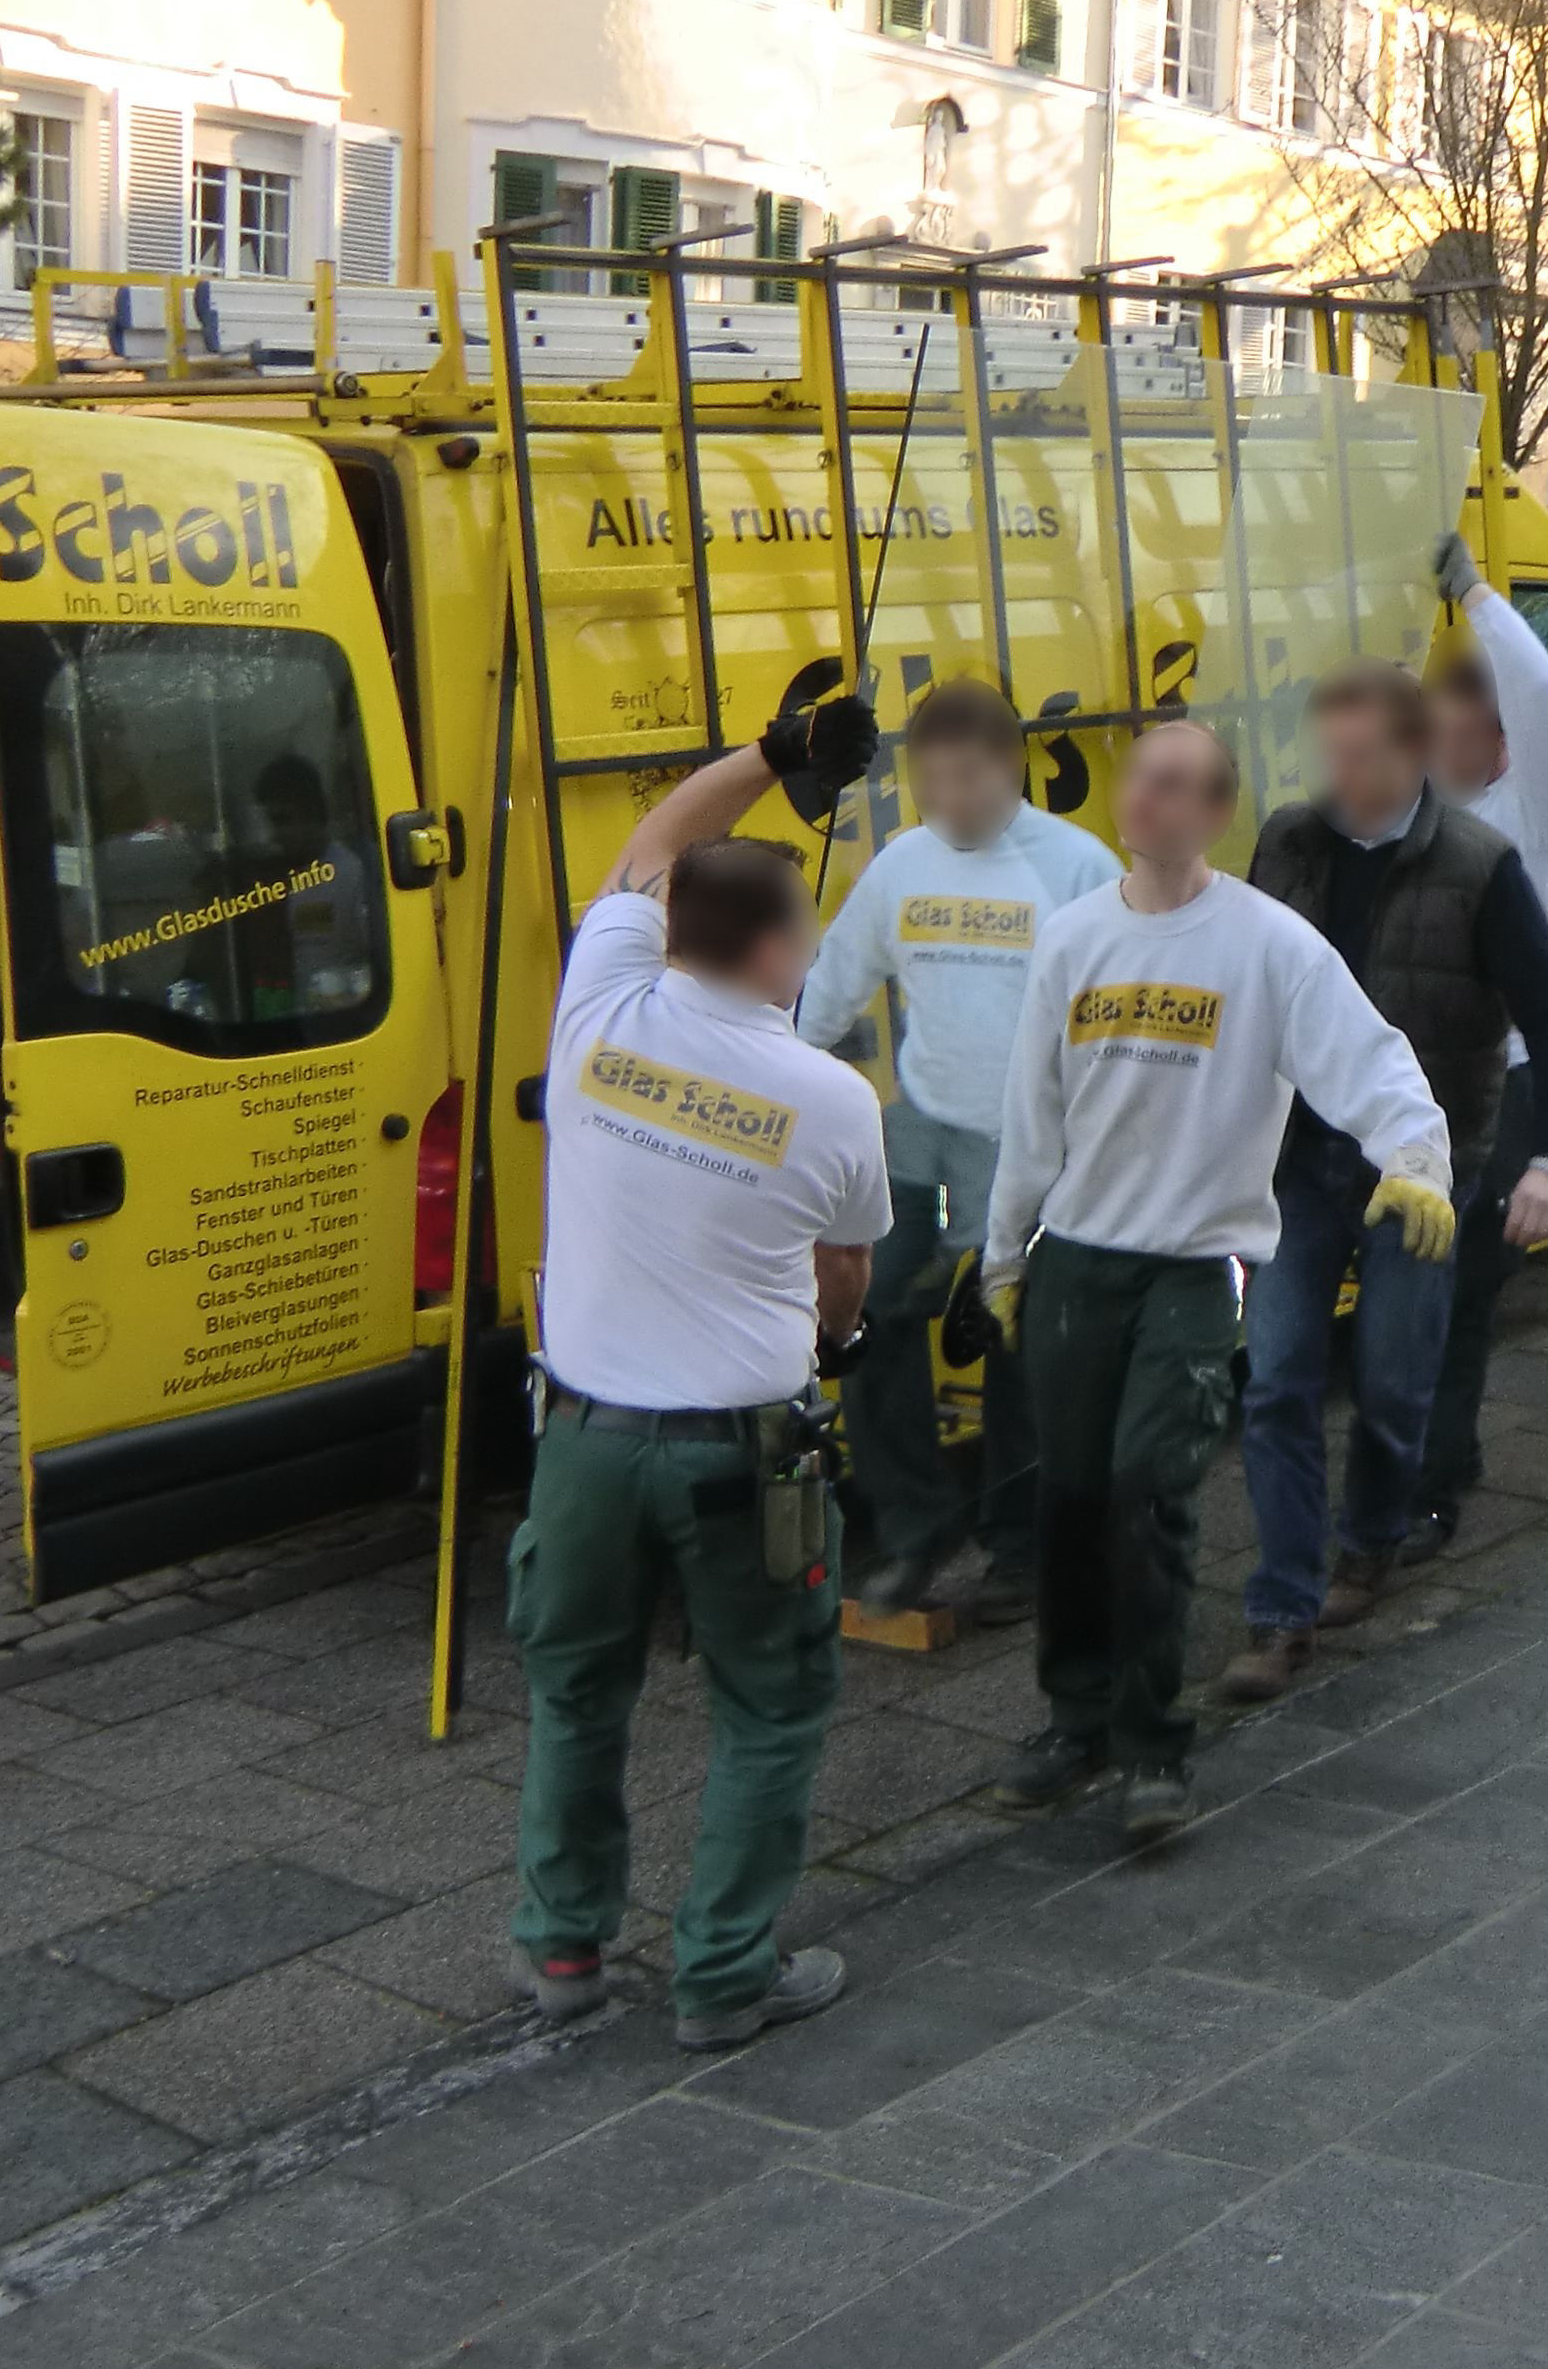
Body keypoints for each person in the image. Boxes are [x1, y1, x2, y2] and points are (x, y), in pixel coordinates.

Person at [978, 713, 1450, 1842]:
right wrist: (1003, 1255)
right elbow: (1030, 1118)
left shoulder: (1268, 946)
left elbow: (1370, 1056)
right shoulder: (1073, 941)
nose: (1157, 800)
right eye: (1145, 779)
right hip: (1077, 1265)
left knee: (1150, 1494)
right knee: (1070, 1499)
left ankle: (1151, 1749)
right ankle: (1074, 1718)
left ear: (1217, 812)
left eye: (1185, 786)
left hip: (1193, 1271)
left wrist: (1418, 1160)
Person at [513, 691, 891, 2049]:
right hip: (743, 1449)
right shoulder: (835, 1101)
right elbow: (844, 1274)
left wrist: (771, 758)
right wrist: (836, 1343)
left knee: (577, 1695)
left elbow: (650, 840)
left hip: (586, 1442)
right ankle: (723, 1975)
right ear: (784, 952)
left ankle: (563, 1954)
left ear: (669, 929)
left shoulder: (599, 1001)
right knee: (772, 1705)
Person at [1216, 652, 1548, 1705]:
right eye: (1329, 756)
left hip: (1423, 1168)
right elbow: (1244, 986)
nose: (1342, 777)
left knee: (1389, 1379)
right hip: (1298, 1163)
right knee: (1280, 1378)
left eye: (1363, 756)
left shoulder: (1480, 865)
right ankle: (1281, 1610)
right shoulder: (1288, 841)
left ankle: (1373, 1532)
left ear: (1415, 752)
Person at [793, 679, 1122, 1625]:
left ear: (1011, 768)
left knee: (1013, 1338)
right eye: (932, 785)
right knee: (857, 1312)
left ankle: (1020, 1548)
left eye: (970, 782)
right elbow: (834, 986)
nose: (952, 804)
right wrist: (778, 1072)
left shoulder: (1076, 871)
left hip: (1029, 1142)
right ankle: (914, 1521)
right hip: (923, 1131)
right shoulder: (902, 866)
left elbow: (1113, 1016)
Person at [1415, 529, 1548, 1558]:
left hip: (1507, 1084)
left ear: (1500, 738)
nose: (1434, 737)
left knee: (1458, 1290)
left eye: (1453, 721)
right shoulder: (1405, 816)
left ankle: (1437, 1484)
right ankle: (1430, 1464)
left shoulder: (1537, 808)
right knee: (1415, 1291)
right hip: (1413, 1088)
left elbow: (1545, 700)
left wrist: (1475, 593)